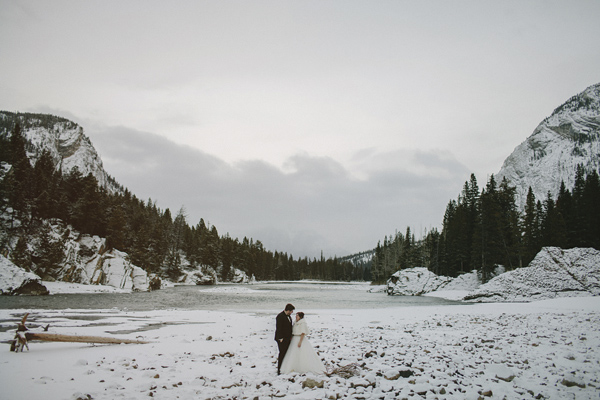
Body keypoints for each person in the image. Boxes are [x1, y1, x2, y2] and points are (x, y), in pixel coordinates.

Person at [275, 303, 295, 375]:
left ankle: (284, 368)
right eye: (291, 311)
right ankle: (279, 369)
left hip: (287, 338)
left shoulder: (289, 316)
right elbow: (279, 328)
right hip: (281, 339)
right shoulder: (280, 316)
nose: (292, 312)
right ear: (288, 310)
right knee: (282, 353)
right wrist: (280, 338)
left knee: (286, 353)